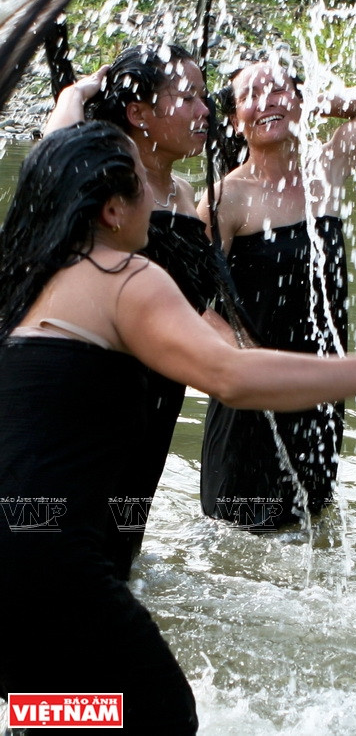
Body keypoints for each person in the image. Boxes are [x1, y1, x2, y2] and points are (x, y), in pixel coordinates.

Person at [0, 122, 356, 733]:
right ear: (113, 209)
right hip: (45, 557)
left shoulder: (24, 279)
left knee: (54, 715)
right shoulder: (121, 276)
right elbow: (231, 378)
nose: (158, 195)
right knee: (159, 716)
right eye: (142, 184)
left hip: (18, 547)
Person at [43, 44, 239, 579]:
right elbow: (54, 158)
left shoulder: (181, 193)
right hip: (97, 392)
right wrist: (76, 93)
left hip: (156, 398)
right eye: (188, 98)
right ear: (138, 113)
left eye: (204, 97)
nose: (206, 111)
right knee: (76, 551)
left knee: (120, 553)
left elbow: (189, 303)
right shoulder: (108, 185)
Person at [197, 51, 356, 530]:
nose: (265, 102)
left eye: (278, 89)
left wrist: (313, 103)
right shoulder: (225, 199)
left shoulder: (326, 170)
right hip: (254, 389)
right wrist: (244, 358)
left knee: (309, 521)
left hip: (322, 386)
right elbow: (193, 302)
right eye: (250, 96)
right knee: (240, 534)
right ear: (234, 120)